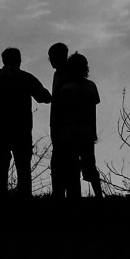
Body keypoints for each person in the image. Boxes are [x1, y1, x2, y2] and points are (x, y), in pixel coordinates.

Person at [0, 48, 51, 197]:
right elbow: (44, 96)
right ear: (19, 60)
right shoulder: (26, 78)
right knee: (23, 170)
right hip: (21, 130)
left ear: (3, 60)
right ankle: (24, 204)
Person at [54, 53, 103, 198]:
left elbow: (61, 112)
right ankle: (99, 196)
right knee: (90, 167)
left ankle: (74, 199)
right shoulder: (91, 86)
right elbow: (94, 105)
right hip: (87, 132)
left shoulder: (66, 89)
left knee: (72, 169)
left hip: (70, 133)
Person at [47, 42, 76, 198]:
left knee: (67, 162)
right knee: (59, 161)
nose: (50, 60)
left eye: (52, 57)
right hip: (57, 123)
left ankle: (67, 196)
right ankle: (60, 194)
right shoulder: (58, 74)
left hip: (66, 125)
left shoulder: (68, 74)